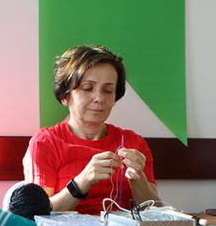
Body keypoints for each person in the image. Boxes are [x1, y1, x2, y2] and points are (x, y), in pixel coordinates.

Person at [23, 45, 160, 214]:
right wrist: (82, 182)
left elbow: (159, 214)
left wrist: (138, 179)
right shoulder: (46, 142)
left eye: (108, 90)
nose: (99, 98)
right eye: (88, 88)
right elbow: (36, 213)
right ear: (65, 96)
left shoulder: (133, 143)